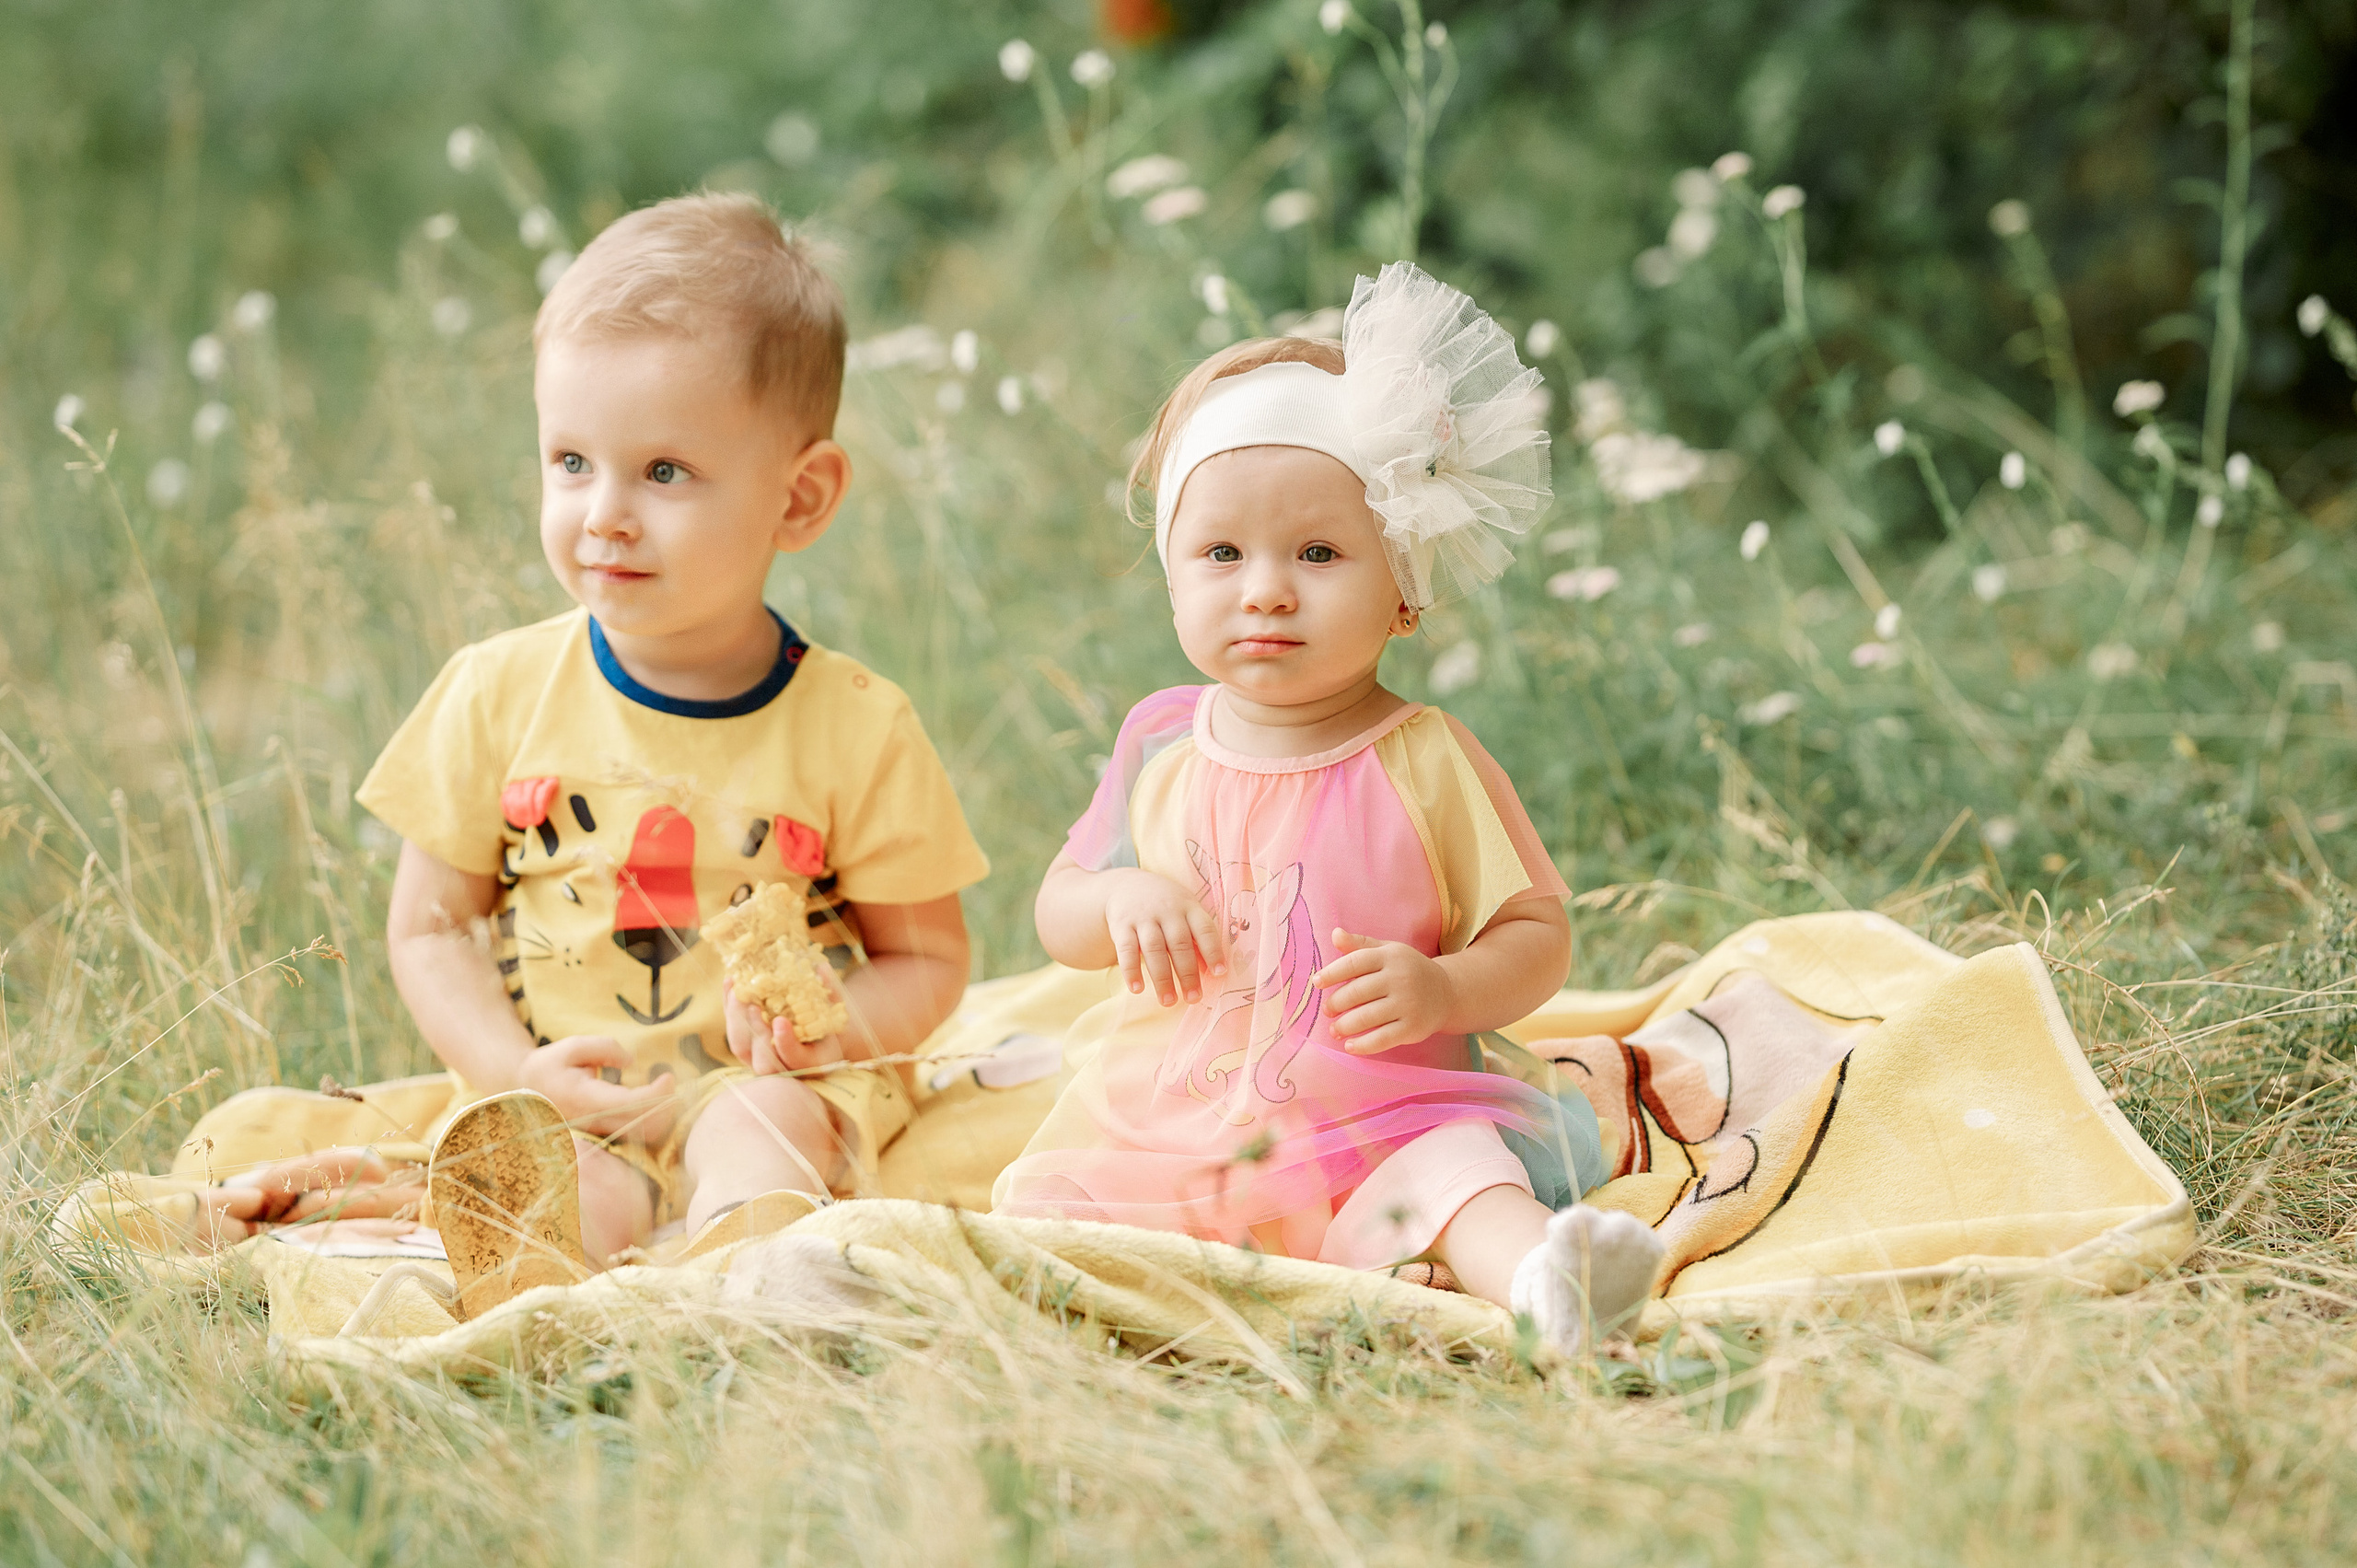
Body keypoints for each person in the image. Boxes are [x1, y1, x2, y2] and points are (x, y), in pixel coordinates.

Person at [995, 263, 1665, 1353]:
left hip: (1380, 1122)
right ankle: (1107, 1318)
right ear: (1171, 576)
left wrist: (1445, 986)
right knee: (1056, 1213)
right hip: (1177, 1134)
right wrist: (1117, 893)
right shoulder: (1163, 742)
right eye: (1220, 553)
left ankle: (1550, 1289)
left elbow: (1539, 936)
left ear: (1401, 585)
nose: (1264, 588)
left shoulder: (1423, 759)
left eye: (1317, 553)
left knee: (1464, 1180)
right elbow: (1058, 912)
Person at [358, 192, 988, 1308]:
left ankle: (746, 1285)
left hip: (758, 1085)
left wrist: (828, 1026)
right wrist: (513, 1074)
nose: (603, 513)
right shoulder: (496, 692)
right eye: (569, 461)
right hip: (565, 1090)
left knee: (760, 1133)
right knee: (555, 1199)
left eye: (662, 473)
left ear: (800, 497)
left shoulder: (855, 725)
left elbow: (929, 962)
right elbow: (432, 925)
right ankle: (541, 1308)